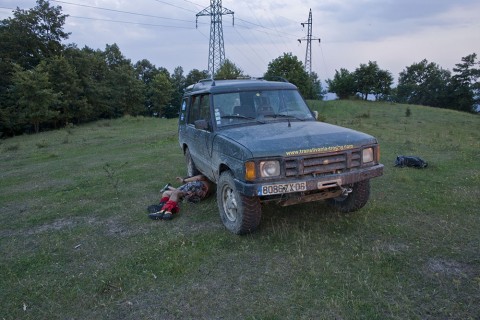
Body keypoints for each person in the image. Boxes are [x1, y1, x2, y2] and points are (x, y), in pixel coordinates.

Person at [148, 175, 213, 220]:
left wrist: (184, 180)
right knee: (166, 193)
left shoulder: (202, 181)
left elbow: (200, 177)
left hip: (197, 190)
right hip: (194, 197)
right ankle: (166, 208)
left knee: (176, 193)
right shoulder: (205, 184)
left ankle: (165, 210)